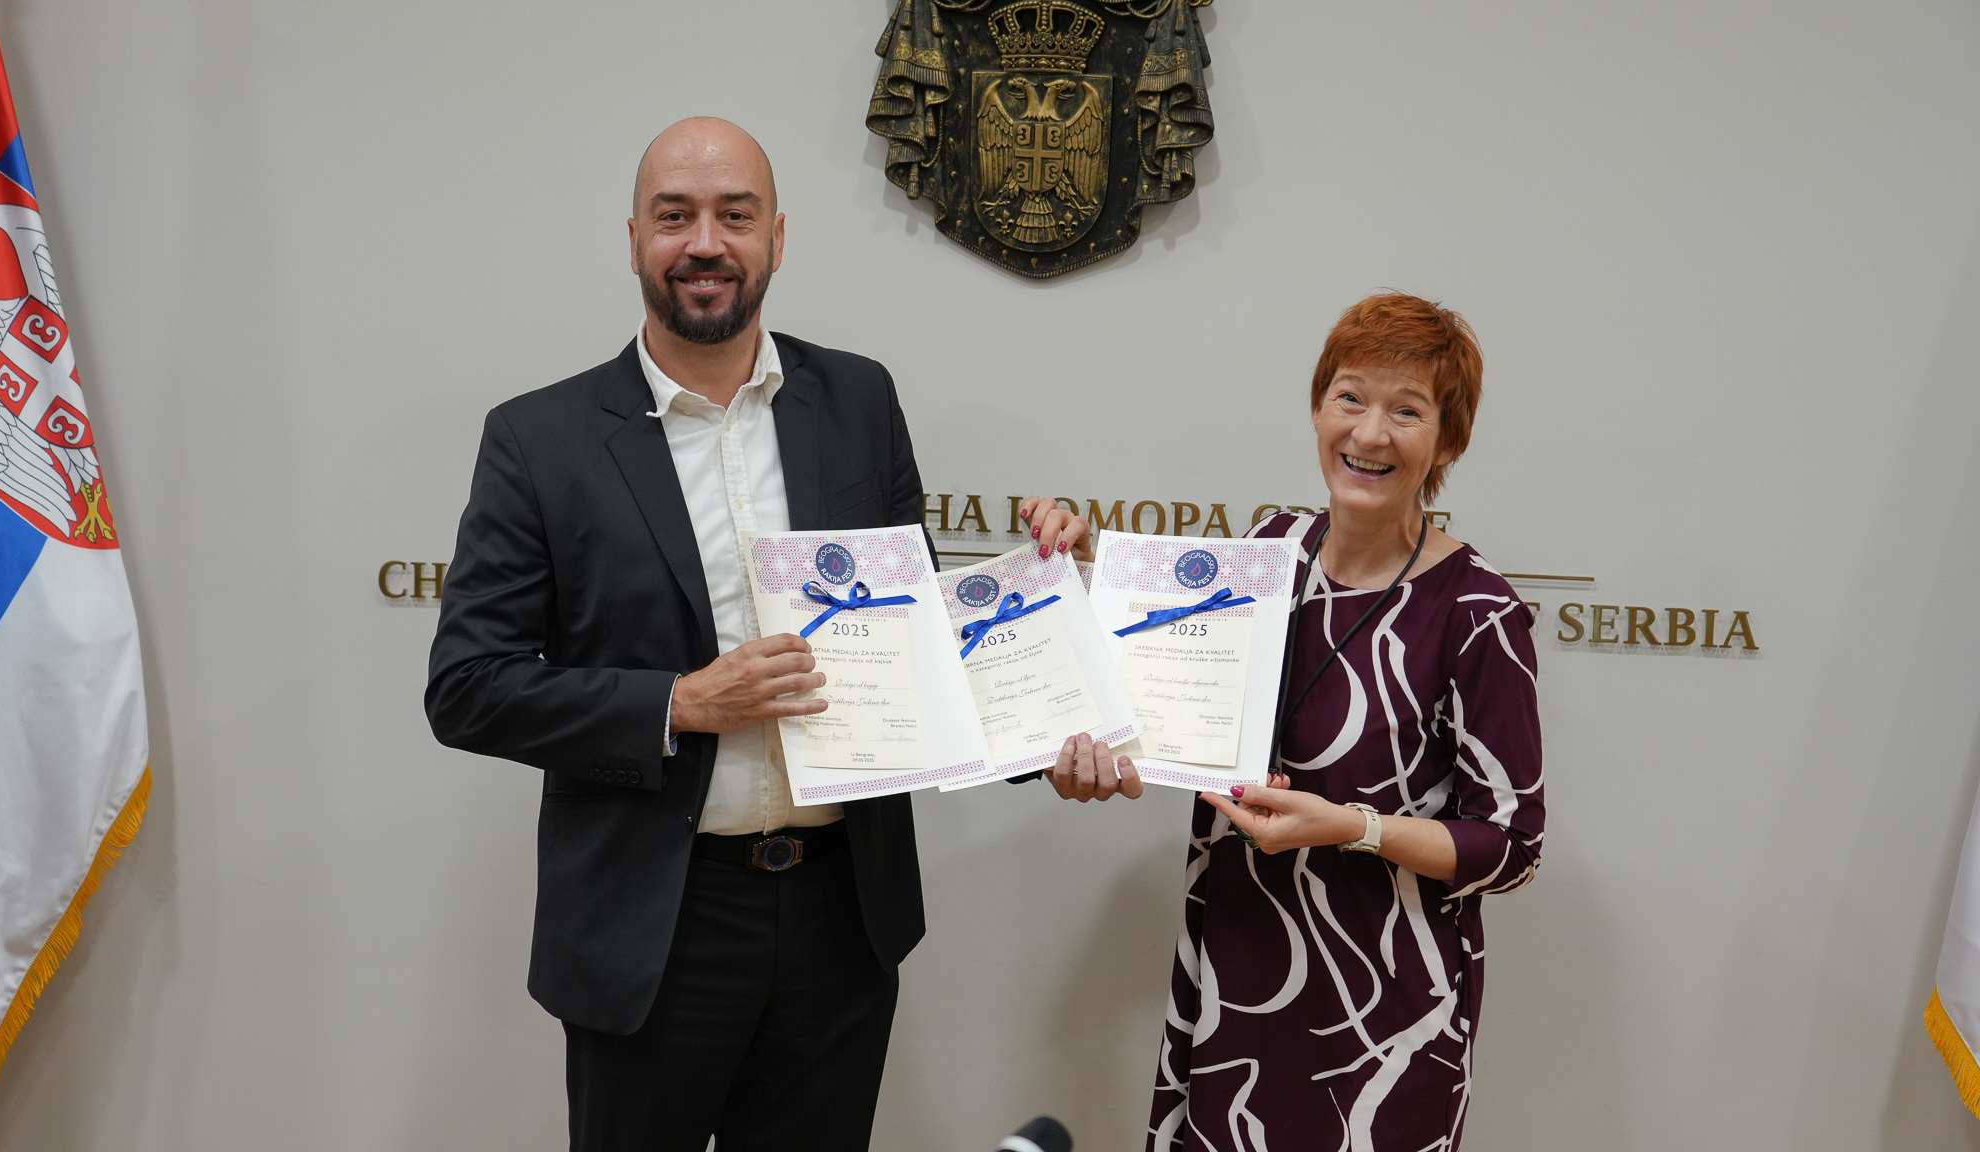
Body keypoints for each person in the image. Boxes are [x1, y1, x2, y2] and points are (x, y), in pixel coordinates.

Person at [425, 117, 942, 1152]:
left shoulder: (860, 400)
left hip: (843, 918)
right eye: (675, 216)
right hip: (654, 926)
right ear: (634, 241)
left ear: (777, 237)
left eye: (734, 215)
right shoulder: (539, 439)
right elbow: (469, 686)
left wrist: (1045, 628)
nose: (705, 243)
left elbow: (914, 636)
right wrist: (679, 703)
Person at [1021, 292, 1546, 1151]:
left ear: (1448, 442)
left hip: (1386, 1014)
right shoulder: (1272, 550)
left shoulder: (1477, 613)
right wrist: (1077, 583)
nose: (1369, 433)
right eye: (1350, 397)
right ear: (1317, 407)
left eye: (1407, 411)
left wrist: (1353, 827)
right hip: (1237, 969)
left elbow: (1512, 848)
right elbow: (1171, 688)